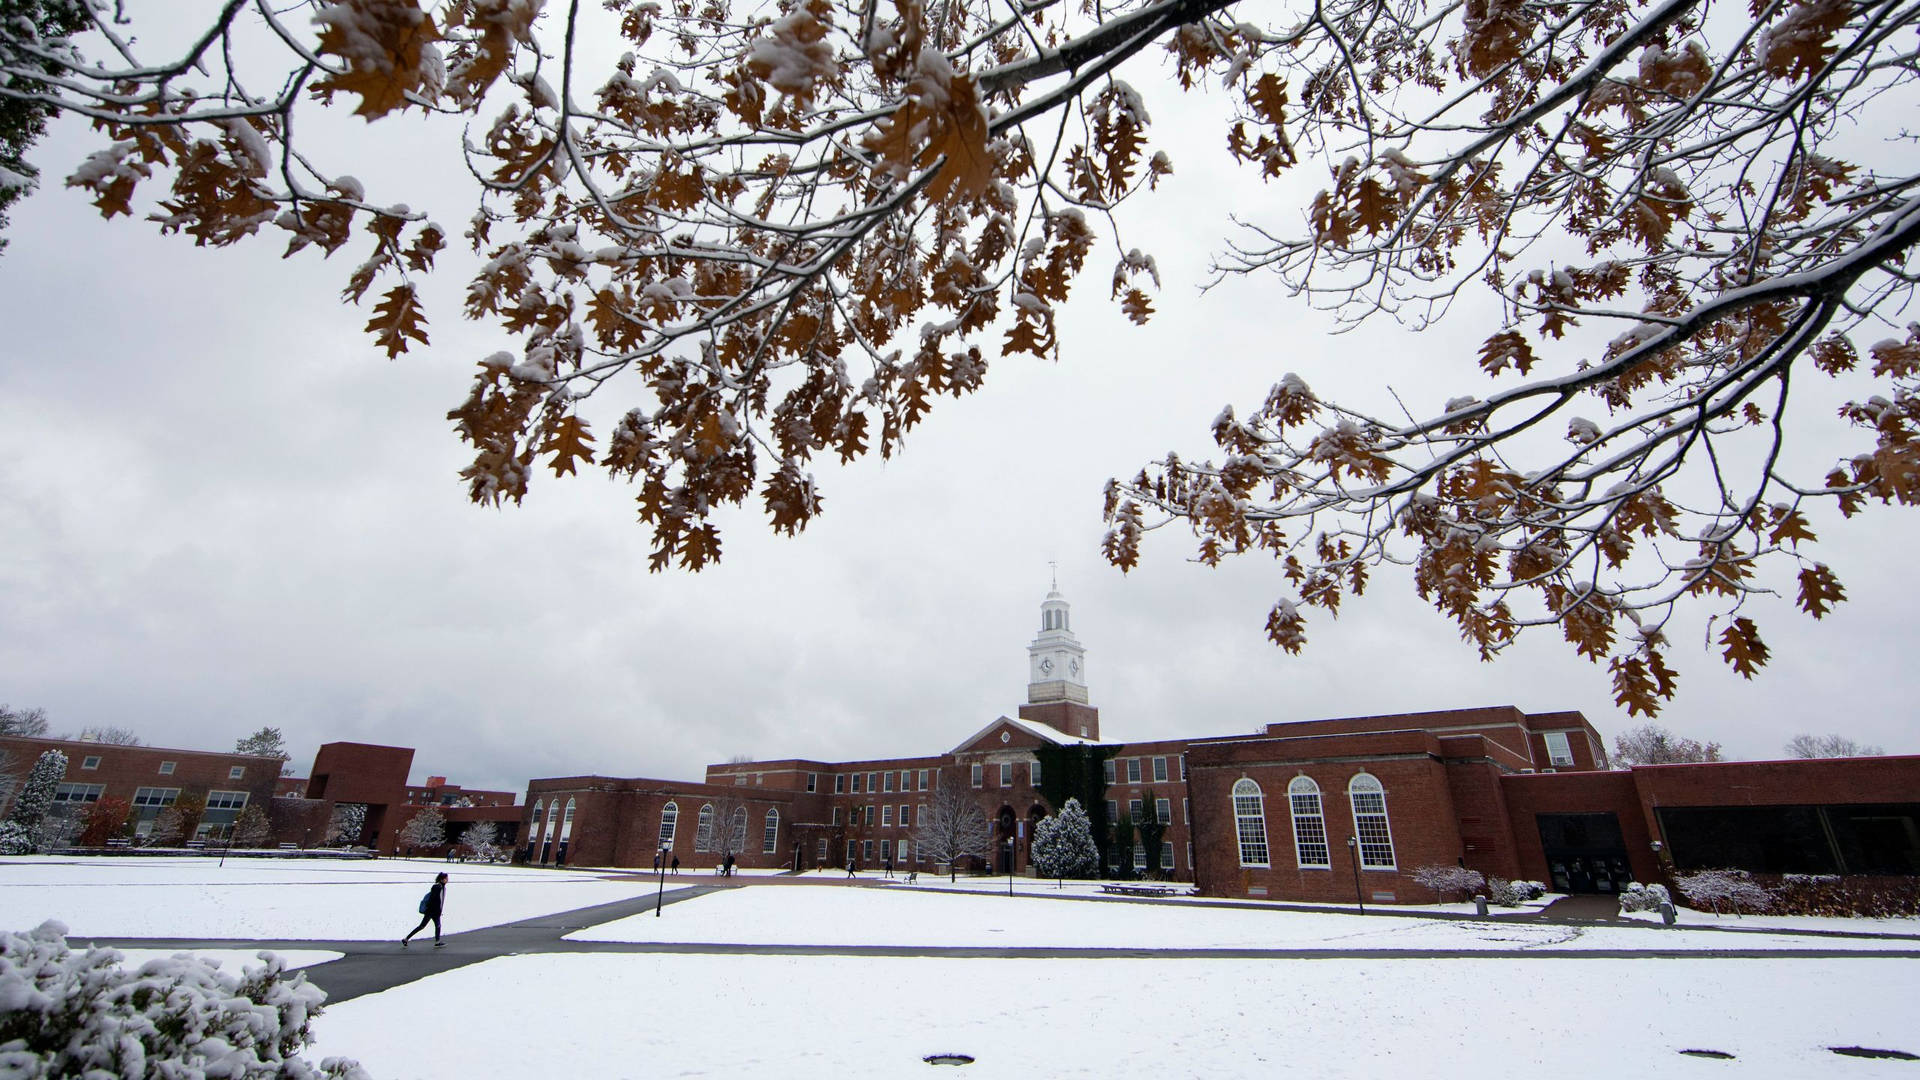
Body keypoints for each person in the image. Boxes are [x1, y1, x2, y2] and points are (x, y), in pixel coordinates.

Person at [402, 872, 448, 948]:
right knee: (424, 926)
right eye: (446, 878)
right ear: (442, 879)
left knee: (435, 926)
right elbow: (433, 900)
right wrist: (435, 910)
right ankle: (406, 939)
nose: (447, 880)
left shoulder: (442, 887)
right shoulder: (437, 887)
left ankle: (437, 942)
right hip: (432, 911)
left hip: (434, 911)